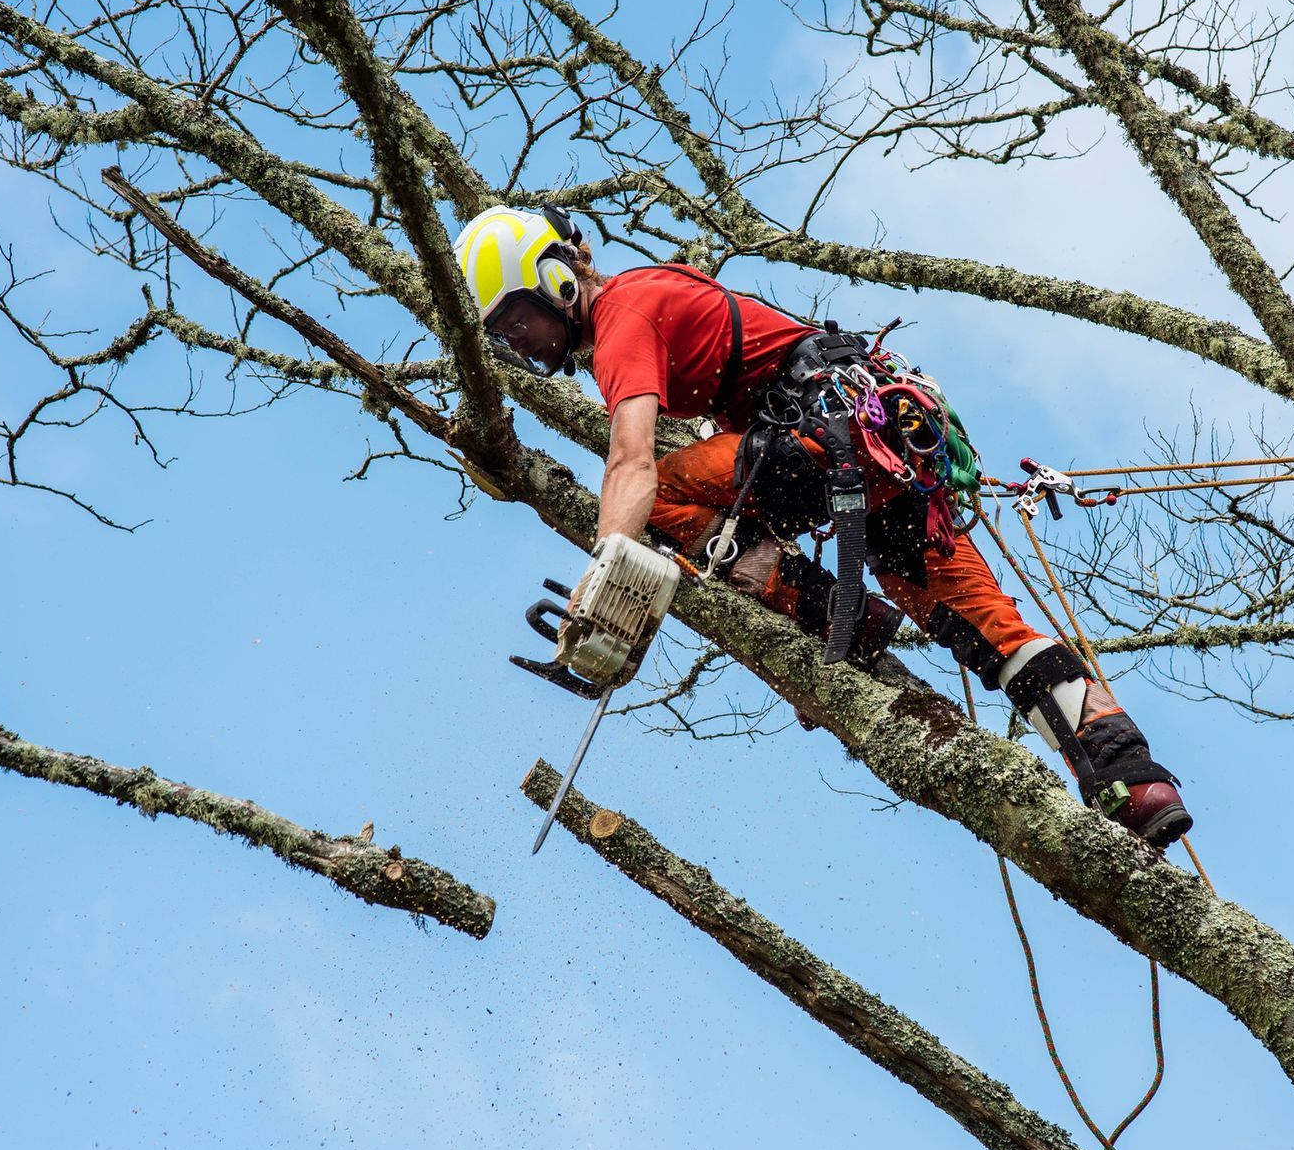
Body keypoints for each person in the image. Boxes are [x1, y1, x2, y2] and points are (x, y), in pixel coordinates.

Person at [456, 205, 1194, 846]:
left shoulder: (623, 313)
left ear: (556, 277)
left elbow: (631, 463)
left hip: (822, 440)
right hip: (876, 458)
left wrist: (602, 585)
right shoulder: (662, 290)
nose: (520, 343)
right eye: (504, 336)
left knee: (668, 497)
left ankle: (827, 611)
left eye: (519, 320)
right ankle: (1133, 780)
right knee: (991, 635)